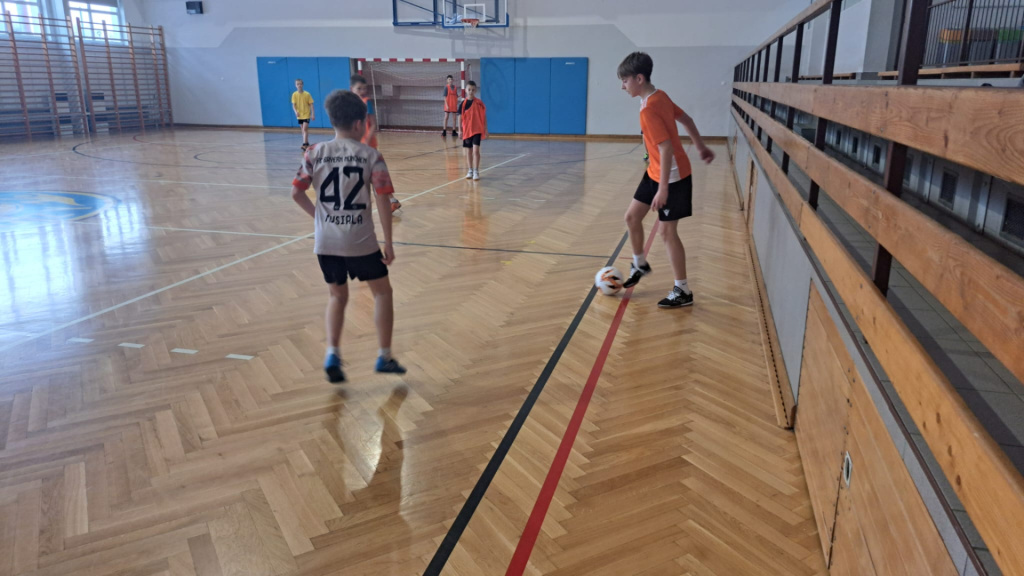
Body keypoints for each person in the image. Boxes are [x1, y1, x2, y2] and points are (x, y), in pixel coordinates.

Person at [290, 89, 407, 383]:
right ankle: (384, 356)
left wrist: (320, 218)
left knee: (337, 296)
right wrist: (388, 242)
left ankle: (332, 353)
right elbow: (383, 198)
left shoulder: (313, 152)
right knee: (382, 293)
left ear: (332, 120)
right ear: (359, 124)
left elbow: (296, 193)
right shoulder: (371, 156)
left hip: (326, 243)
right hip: (360, 242)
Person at [617, 51, 715, 309]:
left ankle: (683, 290)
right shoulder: (659, 96)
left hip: (672, 178)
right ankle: (639, 264)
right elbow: (687, 120)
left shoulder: (650, 109)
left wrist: (662, 191)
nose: (622, 86)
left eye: (625, 81)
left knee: (667, 232)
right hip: (654, 172)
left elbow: (666, 148)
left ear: (639, 79)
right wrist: (700, 146)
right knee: (632, 217)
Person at [351, 74, 402, 213]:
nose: (362, 91)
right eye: (359, 88)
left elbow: (373, 123)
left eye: (364, 88)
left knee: (372, 176)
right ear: (352, 89)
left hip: (368, 145)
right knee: (373, 176)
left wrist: (367, 140)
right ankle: (392, 201)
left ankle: (386, 203)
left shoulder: (366, 102)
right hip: (357, 145)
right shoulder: (351, 105)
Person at [458, 80, 487, 181]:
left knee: (476, 151)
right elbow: (460, 118)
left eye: (473, 90)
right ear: (466, 90)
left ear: (475, 91)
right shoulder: (463, 104)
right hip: (467, 131)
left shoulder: (479, 103)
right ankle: (470, 170)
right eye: (469, 89)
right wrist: (460, 130)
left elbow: (484, 116)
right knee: (469, 151)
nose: (471, 91)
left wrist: (485, 129)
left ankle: (476, 171)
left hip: (477, 130)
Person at [291, 79, 314, 151]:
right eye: (297, 84)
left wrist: (313, 114)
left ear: (303, 85)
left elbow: (311, 104)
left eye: (300, 84)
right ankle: (307, 143)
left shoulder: (307, 94)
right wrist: (296, 112)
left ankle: (304, 144)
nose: (299, 85)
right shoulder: (294, 94)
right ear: (295, 85)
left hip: (306, 114)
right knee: (302, 130)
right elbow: (293, 105)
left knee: (305, 129)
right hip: (299, 115)